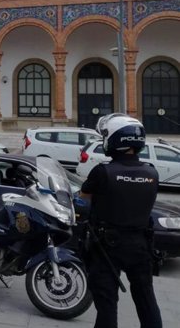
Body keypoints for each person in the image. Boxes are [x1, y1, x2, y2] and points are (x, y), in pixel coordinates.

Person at [80, 113, 163, 328]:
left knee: (107, 304)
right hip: (141, 245)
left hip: (107, 246)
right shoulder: (151, 173)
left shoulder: (103, 172)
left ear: (116, 139)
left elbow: (83, 198)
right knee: (146, 299)